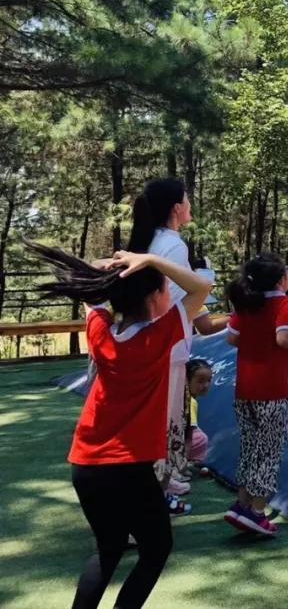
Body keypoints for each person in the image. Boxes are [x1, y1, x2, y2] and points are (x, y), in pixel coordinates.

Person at [25, 239, 212, 609]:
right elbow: (201, 287)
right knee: (156, 549)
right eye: (164, 289)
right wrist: (149, 259)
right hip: (128, 467)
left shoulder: (101, 332)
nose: (169, 295)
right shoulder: (159, 336)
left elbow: (94, 298)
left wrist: (113, 270)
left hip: (86, 465)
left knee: (108, 549)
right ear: (154, 298)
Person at [127, 178, 225, 511]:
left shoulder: (153, 241)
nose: (190, 204)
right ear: (176, 208)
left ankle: (160, 488)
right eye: (187, 198)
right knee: (162, 427)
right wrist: (205, 283)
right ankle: (155, 499)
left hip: (151, 346)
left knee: (156, 425)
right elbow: (179, 305)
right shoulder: (173, 245)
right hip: (166, 348)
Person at [223, 254, 288, 536]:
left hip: (245, 387)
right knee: (269, 450)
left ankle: (242, 504)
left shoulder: (247, 302)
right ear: (280, 279)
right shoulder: (283, 303)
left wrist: (253, 341)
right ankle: (257, 511)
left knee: (250, 447)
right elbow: (283, 338)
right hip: (270, 389)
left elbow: (232, 337)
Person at [184, 358, 212, 470]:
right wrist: (181, 464)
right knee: (201, 438)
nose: (206, 385)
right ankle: (191, 464)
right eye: (200, 381)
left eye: (209, 380)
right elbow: (188, 437)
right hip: (178, 449)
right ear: (187, 380)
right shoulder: (191, 402)